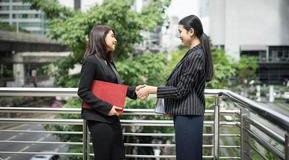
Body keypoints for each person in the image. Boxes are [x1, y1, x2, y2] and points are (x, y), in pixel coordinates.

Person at [136, 15, 214, 160]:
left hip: (189, 115)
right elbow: (184, 88)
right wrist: (172, 107)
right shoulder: (193, 52)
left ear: (191, 32)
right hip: (185, 114)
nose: (179, 36)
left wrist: (151, 90)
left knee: (188, 156)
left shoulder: (196, 55)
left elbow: (180, 90)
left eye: (180, 31)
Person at [77, 25, 138, 160]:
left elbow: (116, 87)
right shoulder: (91, 61)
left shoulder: (108, 62)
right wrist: (107, 108)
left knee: (118, 155)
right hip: (99, 119)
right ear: (100, 38)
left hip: (112, 117)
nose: (115, 39)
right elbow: (83, 91)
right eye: (112, 36)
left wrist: (136, 91)